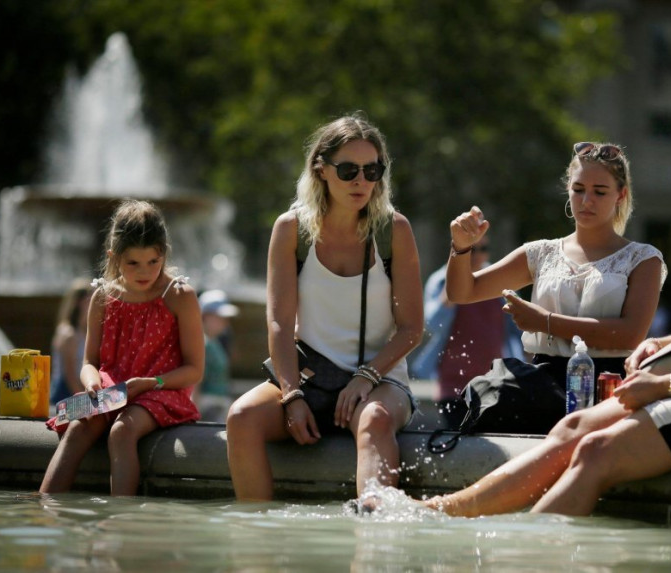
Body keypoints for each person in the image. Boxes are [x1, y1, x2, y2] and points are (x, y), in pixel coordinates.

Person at [422, 124, 671, 517]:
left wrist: (666, 383)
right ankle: (448, 512)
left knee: (595, 452)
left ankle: (527, 552)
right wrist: (667, 343)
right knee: (575, 428)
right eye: (579, 189)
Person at [226, 114, 424, 502]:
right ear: (321, 169)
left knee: (375, 419)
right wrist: (292, 394)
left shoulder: (394, 230)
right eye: (349, 169)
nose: (361, 181)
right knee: (241, 417)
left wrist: (366, 376)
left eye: (372, 170)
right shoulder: (290, 229)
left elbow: (411, 328)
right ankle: (257, 544)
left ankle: (375, 541)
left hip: (380, 380)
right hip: (310, 376)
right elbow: (280, 325)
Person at [441, 141, 665, 411]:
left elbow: (630, 335)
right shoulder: (541, 252)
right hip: (543, 387)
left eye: (600, 192)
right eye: (578, 189)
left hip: (611, 388)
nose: (586, 201)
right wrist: (461, 246)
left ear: (621, 195)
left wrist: (545, 321)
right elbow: (463, 293)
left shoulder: (643, 258)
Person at [40, 199, 204, 496]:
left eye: (153, 262)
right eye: (133, 264)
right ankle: (44, 508)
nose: (145, 272)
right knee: (78, 428)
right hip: (111, 391)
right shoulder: (103, 296)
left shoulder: (179, 295)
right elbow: (90, 360)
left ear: (164, 254)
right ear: (113, 257)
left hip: (160, 391)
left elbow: (194, 369)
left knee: (121, 431)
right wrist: (90, 383)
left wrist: (152, 383)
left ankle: (120, 519)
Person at [410, 237, 525, 428]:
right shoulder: (441, 280)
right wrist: (455, 283)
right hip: (452, 385)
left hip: (493, 383)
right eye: (471, 249)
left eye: (483, 249)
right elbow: (432, 323)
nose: (477, 255)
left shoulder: (499, 279)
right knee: (460, 440)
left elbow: (519, 329)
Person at [193, 289, 239, 423]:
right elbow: (195, 382)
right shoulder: (202, 343)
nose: (226, 322)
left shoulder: (214, 342)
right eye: (220, 317)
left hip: (218, 407)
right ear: (205, 316)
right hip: (209, 409)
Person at [49, 278, 94, 404]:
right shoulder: (69, 334)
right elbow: (69, 376)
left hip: (80, 390)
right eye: (91, 299)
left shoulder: (85, 331)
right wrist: (88, 402)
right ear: (80, 302)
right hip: (65, 394)